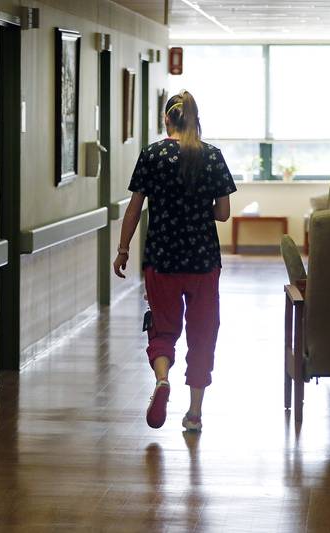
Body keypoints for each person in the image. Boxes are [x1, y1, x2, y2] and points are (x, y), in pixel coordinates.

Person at [113, 90, 236, 432]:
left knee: (162, 328)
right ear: (195, 120)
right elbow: (224, 213)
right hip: (203, 261)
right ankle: (195, 413)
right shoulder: (212, 156)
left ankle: (162, 379)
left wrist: (123, 249)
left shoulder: (151, 154)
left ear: (166, 120)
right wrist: (198, 209)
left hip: (162, 258)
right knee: (202, 333)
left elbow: (135, 207)